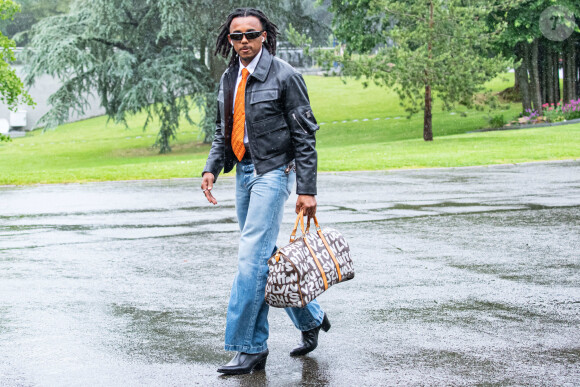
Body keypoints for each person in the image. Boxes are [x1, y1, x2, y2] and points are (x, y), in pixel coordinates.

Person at [201, 7, 330, 376]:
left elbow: (305, 137)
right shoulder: (229, 78)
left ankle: (250, 347)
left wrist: (307, 189)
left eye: (250, 35)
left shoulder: (285, 75)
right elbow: (221, 131)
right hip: (242, 171)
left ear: (264, 37)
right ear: (229, 39)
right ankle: (311, 317)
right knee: (264, 255)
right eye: (236, 35)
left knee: (250, 259)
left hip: (273, 173)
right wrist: (211, 168)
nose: (243, 41)